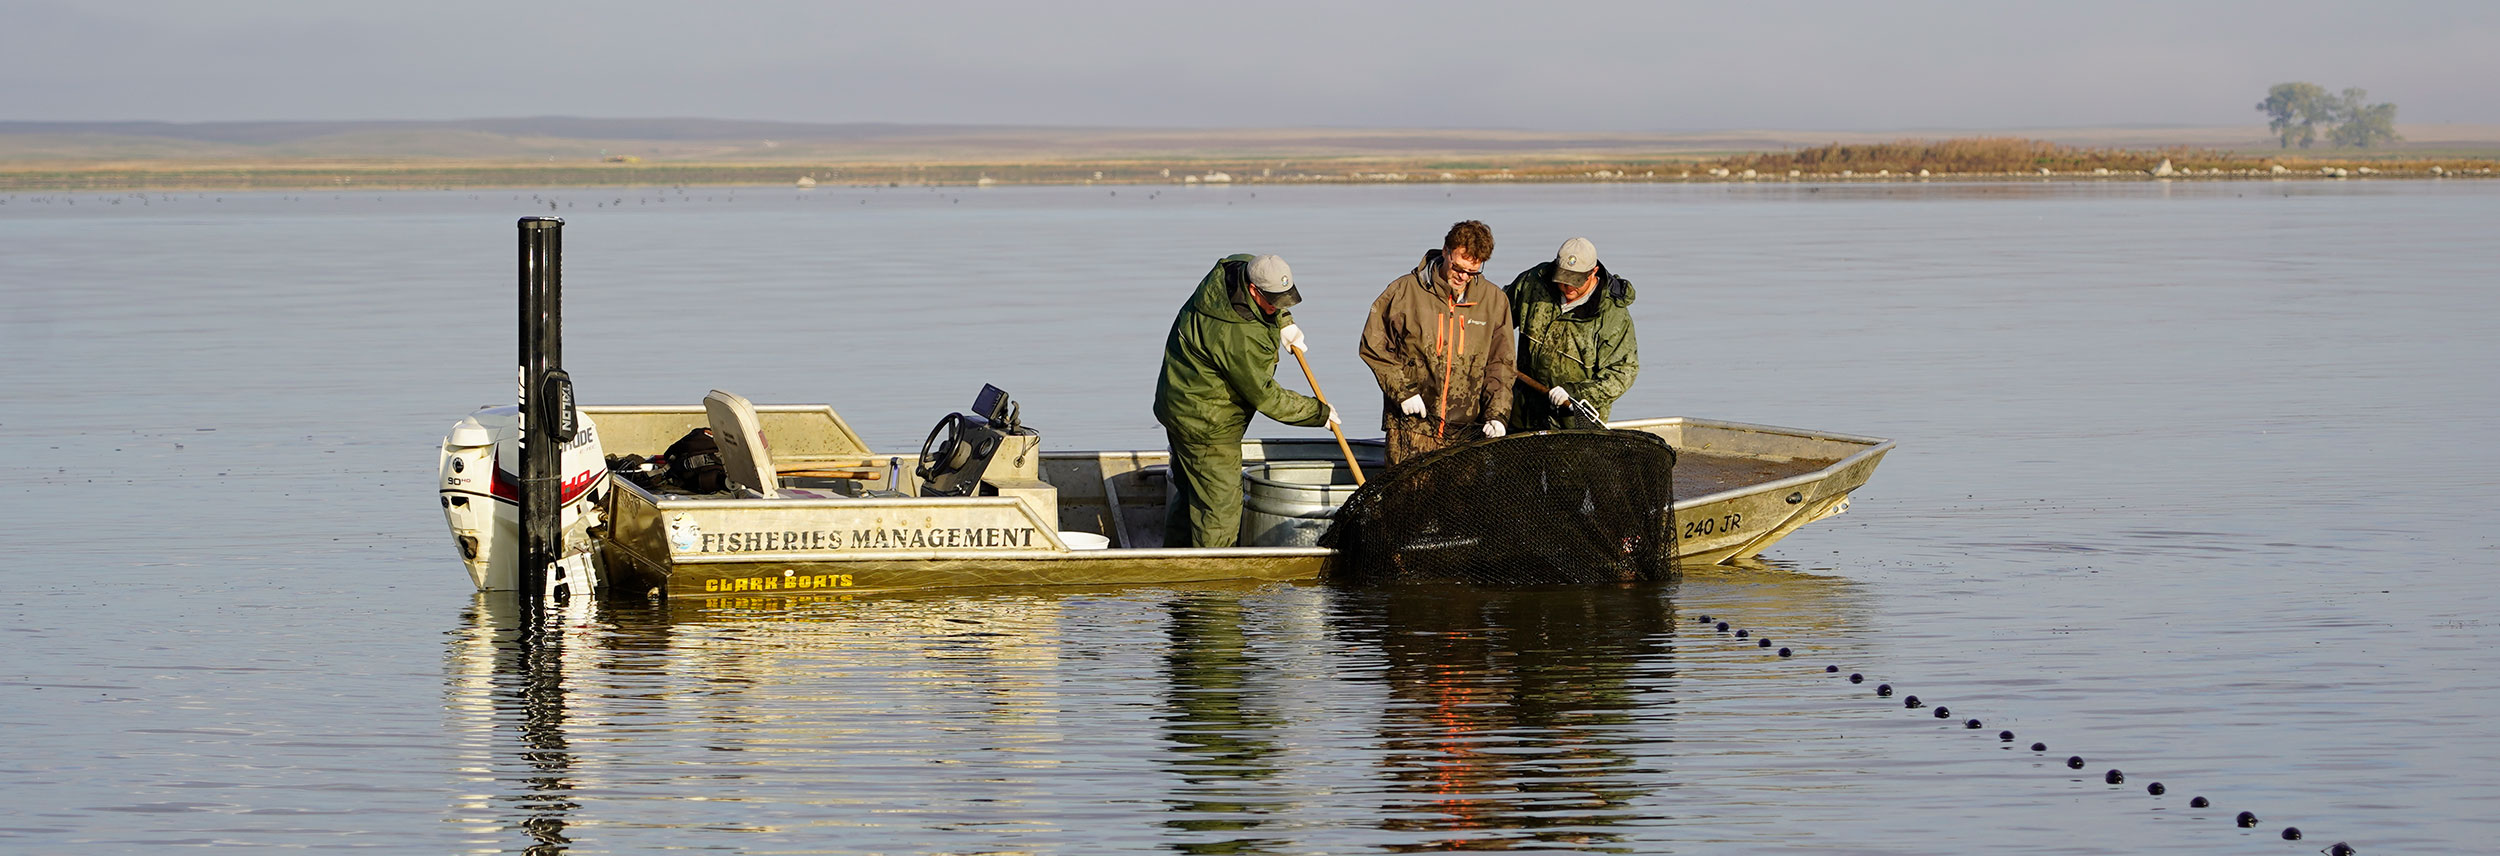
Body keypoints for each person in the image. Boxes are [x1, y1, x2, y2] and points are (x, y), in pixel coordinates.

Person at [1153, 253, 1340, 548]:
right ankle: (1213, 587)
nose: (1279, 306)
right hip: (1207, 423)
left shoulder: (1238, 269)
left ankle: (1178, 568)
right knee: (1219, 509)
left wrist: (1284, 321)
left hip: (1178, 401)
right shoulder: (1236, 334)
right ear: (1253, 290)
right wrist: (1318, 413)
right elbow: (1266, 395)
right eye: (1274, 302)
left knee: (1191, 493)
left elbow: (1259, 278)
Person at [1359, 220, 1515, 465]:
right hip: (1410, 428)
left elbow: (1501, 365)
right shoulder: (1404, 291)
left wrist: (1498, 415)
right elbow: (1373, 345)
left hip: (1466, 433)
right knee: (1406, 501)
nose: (1463, 277)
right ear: (1446, 251)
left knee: (1459, 504)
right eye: (1458, 267)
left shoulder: (1494, 301)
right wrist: (1403, 392)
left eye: (1472, 272)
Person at [1503, 236, 1638, 430]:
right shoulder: (1533, 283)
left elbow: (1623, 372)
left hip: (1573, 420)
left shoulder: (1612, 315)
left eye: (1575, 282)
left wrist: (1575, 394)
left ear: (1593, 273)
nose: (1568, 288)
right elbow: (1497, 320)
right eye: (1563, 281)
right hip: (1522, 408)